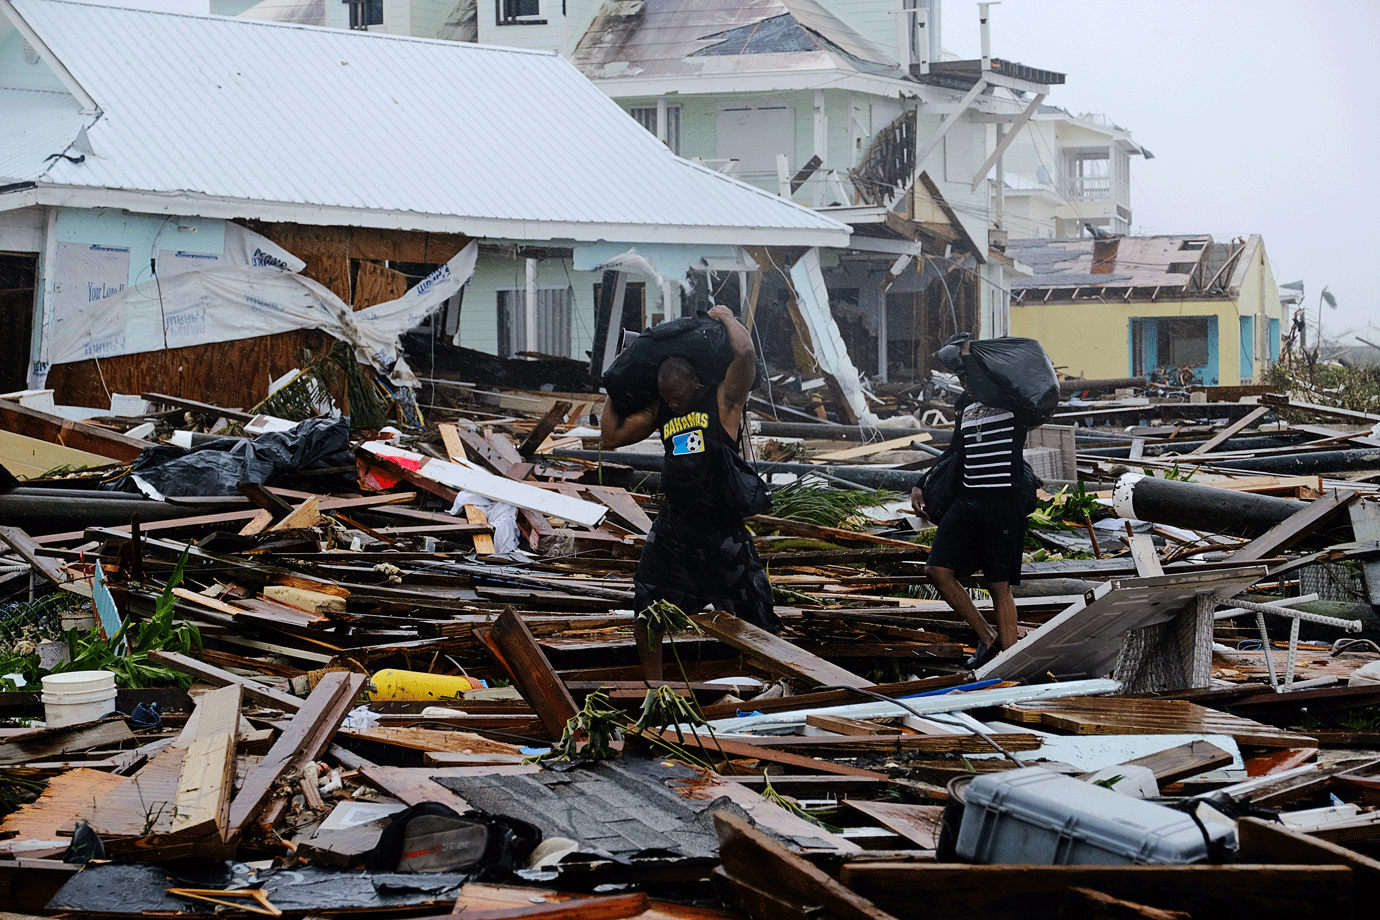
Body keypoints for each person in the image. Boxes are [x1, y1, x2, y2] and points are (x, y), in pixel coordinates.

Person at [600, 304, 780, 680]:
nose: (674, 405)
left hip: (720, 525)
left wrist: (727, 318)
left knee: (756, 610)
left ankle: (775, 680)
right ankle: (656, 685)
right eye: (668, 399)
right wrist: (619, 378)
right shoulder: (662, 407)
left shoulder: (724, 399)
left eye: (678, 397)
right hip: (675, 524)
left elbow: (745, 354)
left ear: (695, 385)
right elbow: (612, 436)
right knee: (648, 601)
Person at [911, 338, 1031, 669]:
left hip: (1002, 503)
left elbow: (1033, 396)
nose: (966, 383)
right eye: (962, 377)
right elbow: (954, 451)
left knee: (998, 584)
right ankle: (988, 637)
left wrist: (973, 354)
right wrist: (922, 483)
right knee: (937, 570)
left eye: (970, 375)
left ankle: (1008, 664)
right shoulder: (966, 405)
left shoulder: (1012, 404)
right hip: (967, 500)